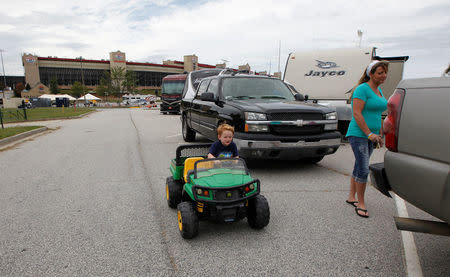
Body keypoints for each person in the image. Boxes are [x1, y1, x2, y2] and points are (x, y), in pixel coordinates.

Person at [346, 60, 388, 218]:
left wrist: (380, 132)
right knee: (363, 169)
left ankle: (351, 197)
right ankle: (361, 203)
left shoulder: (379, 91)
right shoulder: (362, 89)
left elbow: (378, 114)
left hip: (372, 135)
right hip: (359, 134)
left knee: (359, 165)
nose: (384, 75)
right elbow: (356, 113)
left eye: (385, 73)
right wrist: (369, 134)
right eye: (380, 73)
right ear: (371, 74)